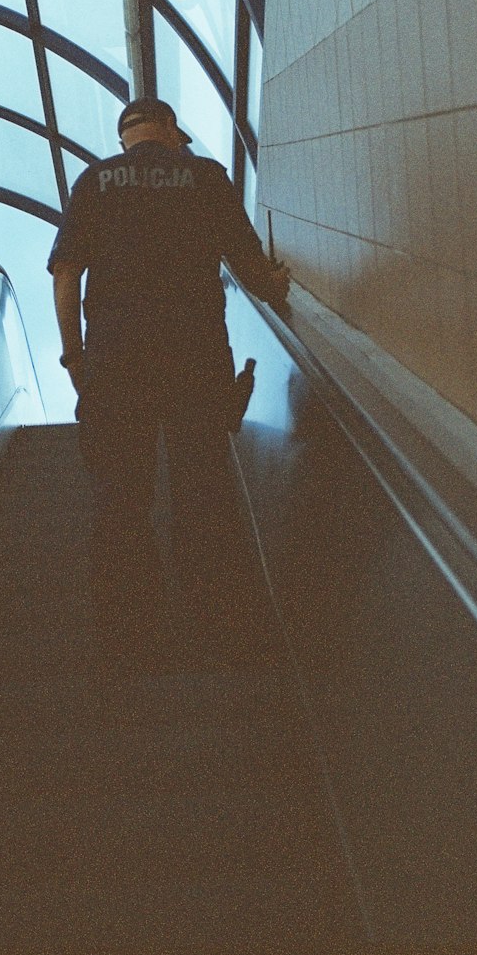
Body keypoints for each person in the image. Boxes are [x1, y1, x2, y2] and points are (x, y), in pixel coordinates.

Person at [48, 97, 290, 670]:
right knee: (201, 483)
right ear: (171, 131)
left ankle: (128, 636)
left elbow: (65, 274)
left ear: (124, 137)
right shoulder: (204, 176)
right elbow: (249, 264)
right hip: (195, 353)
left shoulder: (94, 181)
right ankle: (214, 623)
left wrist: (76, 357)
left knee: (121, 496)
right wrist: (277, 284)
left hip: (115, 358)